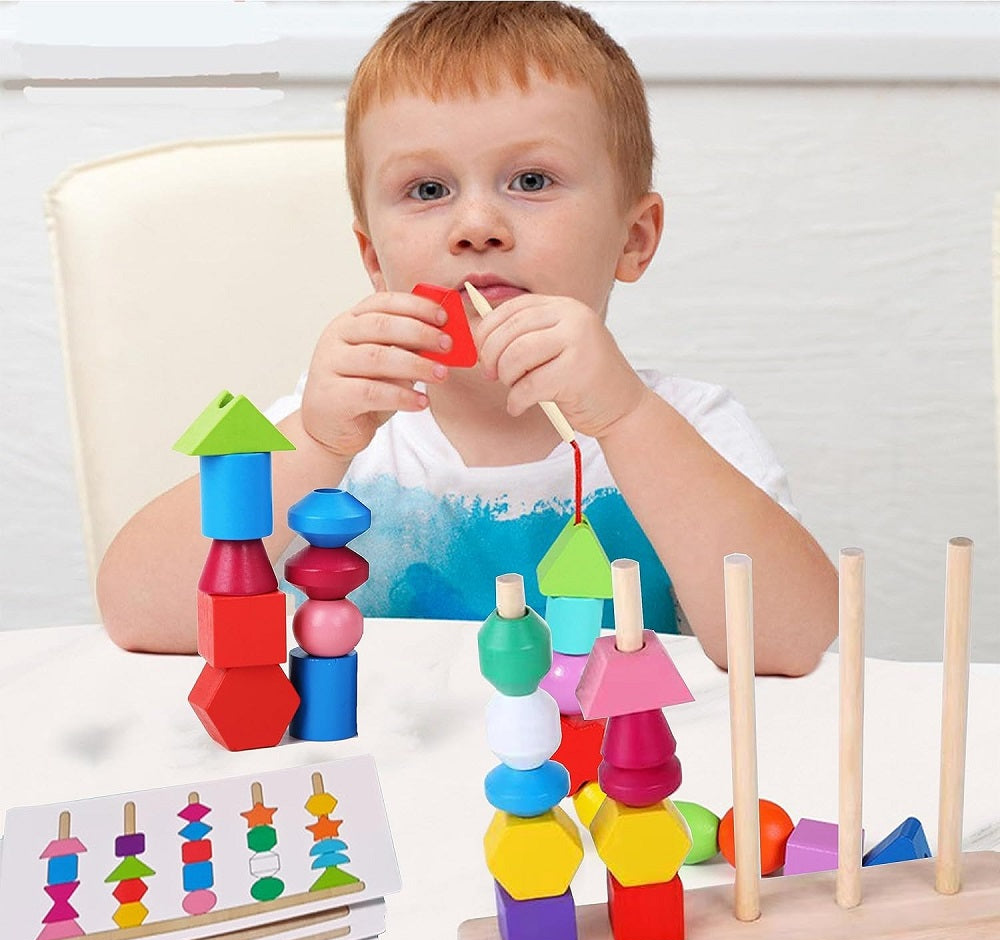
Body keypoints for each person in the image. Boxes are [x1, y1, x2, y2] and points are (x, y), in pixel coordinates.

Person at [97, 1, 838, 674]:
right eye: (427, 190)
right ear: (374, 261)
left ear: (633, 239)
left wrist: (627, 420)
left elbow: (793, 644)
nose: (476, 226)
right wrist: (316, 441)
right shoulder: (336, 442)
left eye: (532, 181)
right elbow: (143, 617)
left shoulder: (687, 426)